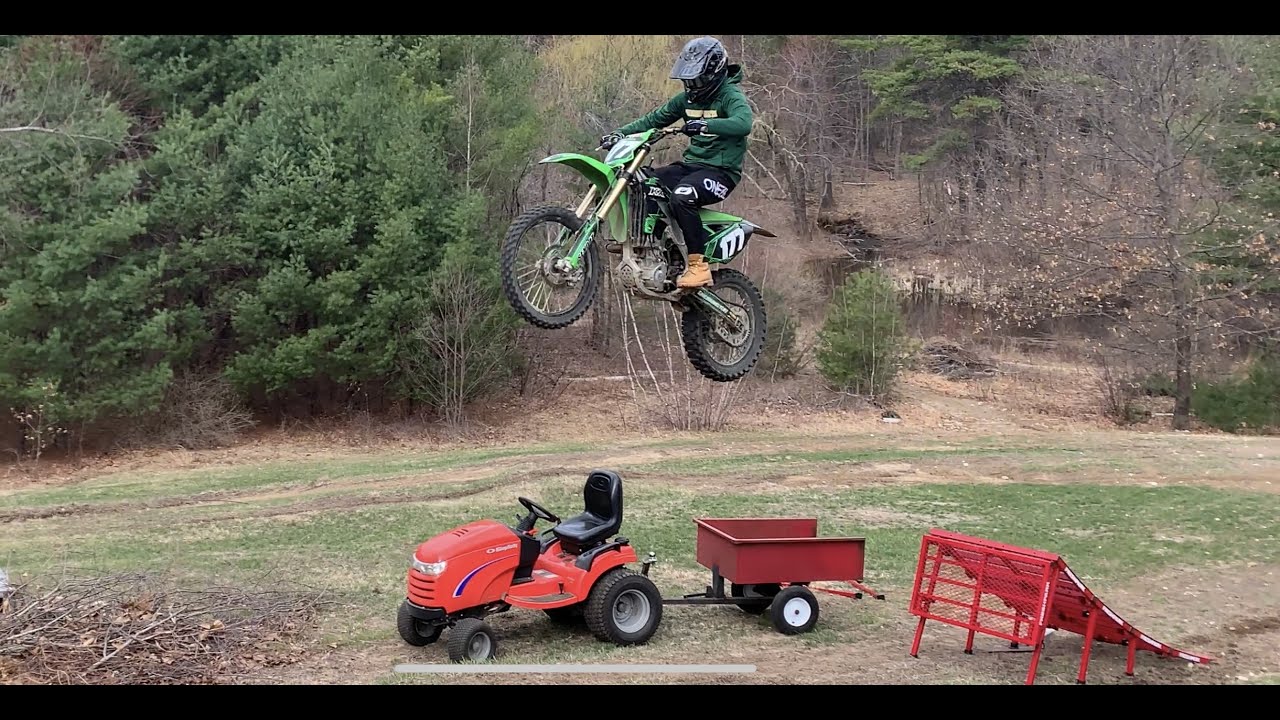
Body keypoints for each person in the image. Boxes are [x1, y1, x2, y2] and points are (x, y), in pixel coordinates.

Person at [601, 36, 753, 289]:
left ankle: (698, 266)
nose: (691, 84)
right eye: (688, 78)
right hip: (692, 166)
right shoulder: (686, 100)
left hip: (721, 173)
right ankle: (648, 245)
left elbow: (743, 123)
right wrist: (620, 133)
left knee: (682, 195)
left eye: (696, 79)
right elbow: (653, 119)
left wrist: (706, 124)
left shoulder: (730, 95)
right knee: (643, 183)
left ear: (713, 73)